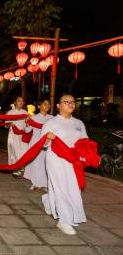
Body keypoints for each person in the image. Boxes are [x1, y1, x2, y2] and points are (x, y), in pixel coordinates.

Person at [41, 94, 97, 235]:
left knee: (74, 188)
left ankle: (48, 201)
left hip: (74, 160)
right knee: (61, 188)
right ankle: (64, 221)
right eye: (66, 102)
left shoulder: (79, 123)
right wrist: (48, 139)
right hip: (56, 159)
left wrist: (88, 156)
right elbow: (44, 144)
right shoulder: (51, 122)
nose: (71, 104)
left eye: (73, 102)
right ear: (59, 106)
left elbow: (85, 142)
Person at [23, 99, 53, 191]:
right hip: (35, 143)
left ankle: (45, 184)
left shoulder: (52, 118)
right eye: (45, 104)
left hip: (48, 144)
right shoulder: (33, 118)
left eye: (48, 104)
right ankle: (36, 183)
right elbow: (27, 131)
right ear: (39, 106)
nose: (47, 106)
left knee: (45, 163)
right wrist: (27, 123)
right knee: (35, 163)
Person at [5, 96, 28, 178]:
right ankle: (15, 170)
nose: (21, 103)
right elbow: (6, 125)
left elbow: (27, 124)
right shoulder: (10, 112)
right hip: (13, 135)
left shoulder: (25, 112)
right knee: (15, 152)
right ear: (15, 102)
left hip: (22, 135)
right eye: (19, 101)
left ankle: (21, 168)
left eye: (22, 101)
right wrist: (10, 124)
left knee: (23, 151)